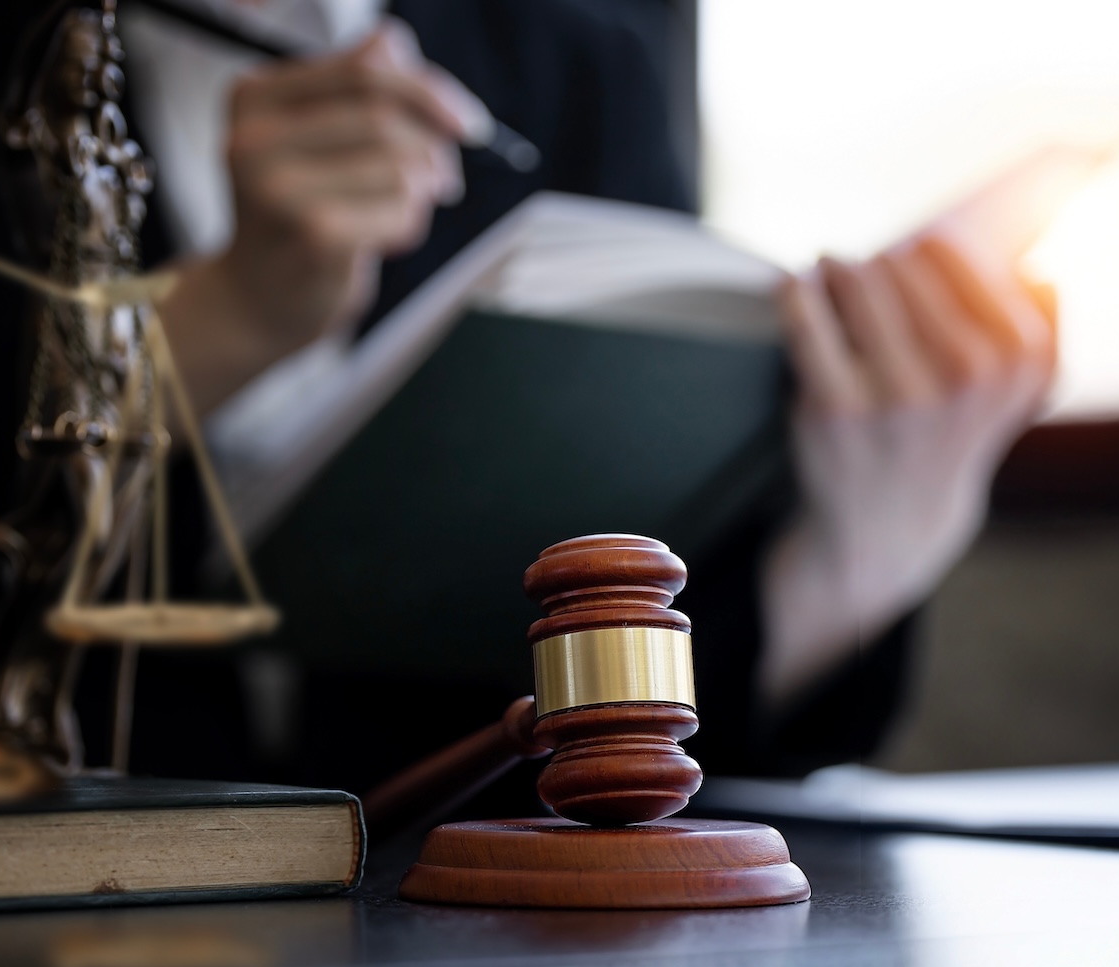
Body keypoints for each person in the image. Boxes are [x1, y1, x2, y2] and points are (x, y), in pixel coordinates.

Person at [116, 0, 1056, 781]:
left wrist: (856, 551)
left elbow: (618, 724)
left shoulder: (574, 61)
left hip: (480, 898)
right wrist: (218, 327)